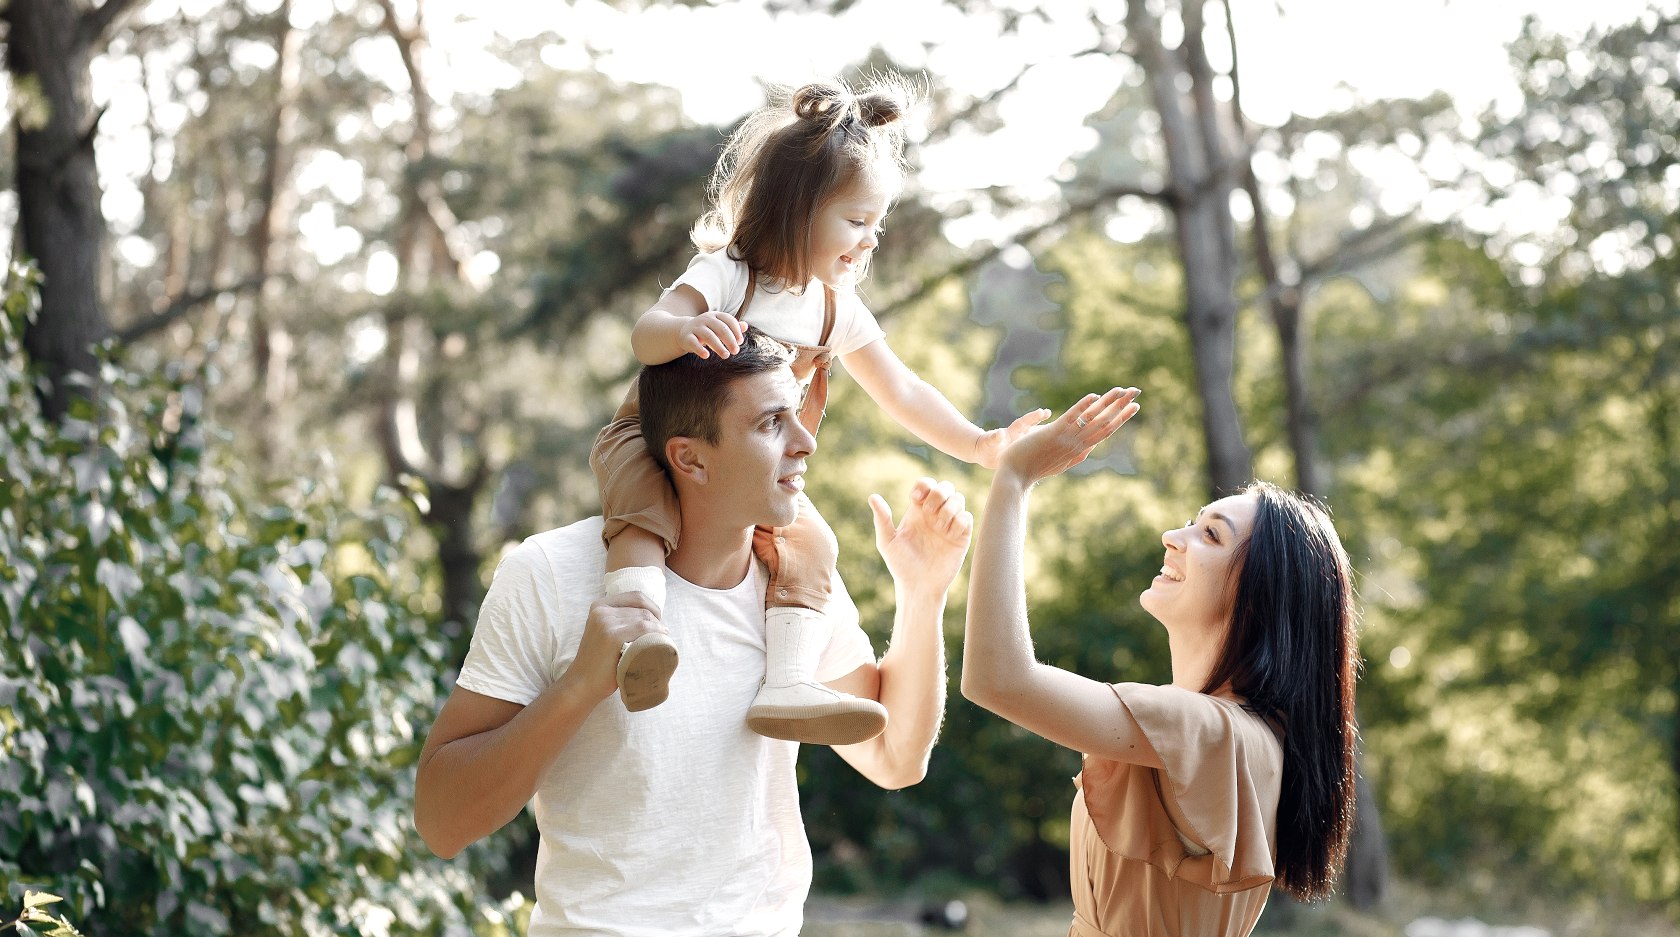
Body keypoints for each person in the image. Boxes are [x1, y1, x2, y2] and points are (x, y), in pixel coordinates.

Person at [414, 327, 973, 936]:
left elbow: (895, 758)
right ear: (689, 457)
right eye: (770, 424)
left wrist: (922, 594)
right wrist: (580, 687)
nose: (806, 442)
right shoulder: (550, 574)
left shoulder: (797, 588)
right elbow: (443, 822)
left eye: (799, 416)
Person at [593, 76, 1046, 744]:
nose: (869, 241)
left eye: (877, 225)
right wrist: (684, 333)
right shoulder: (728, 274)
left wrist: (978, 443)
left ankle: (788, 682)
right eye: (857, 222)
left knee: (815, 544)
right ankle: (635, 632)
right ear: (796, 210)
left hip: (754, 471)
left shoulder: (833, 309)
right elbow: (647, 330)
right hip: (658, 439)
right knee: (642, 509)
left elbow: (903, 390)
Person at [960, 388, 1360, 937]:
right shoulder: (1217, 730)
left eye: (1210, 535)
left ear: (1260, 598)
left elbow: (999, 679)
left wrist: (1013, 481)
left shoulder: (1216, 734)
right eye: (1193, 523)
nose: (1173, 537)